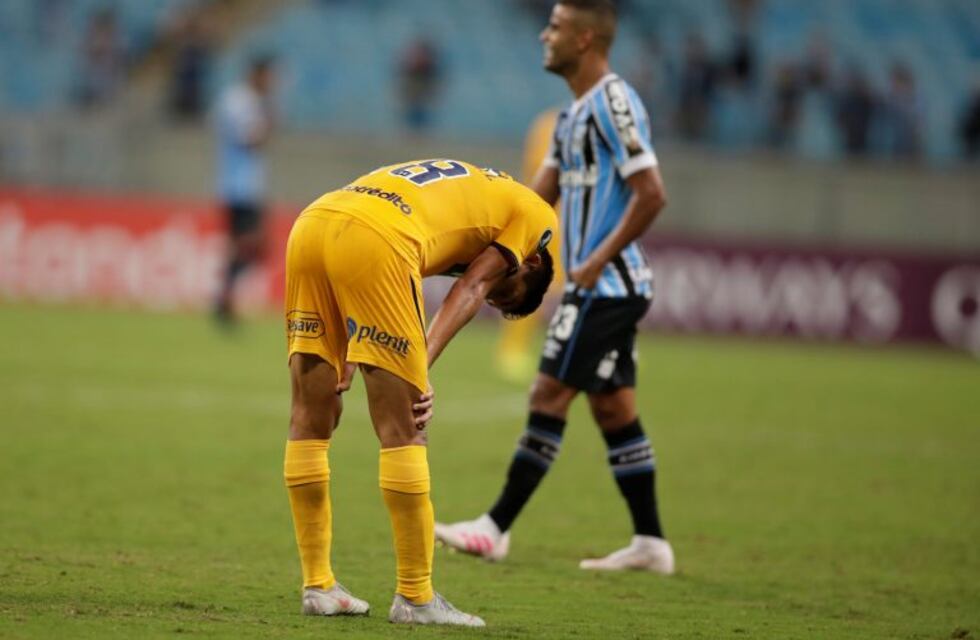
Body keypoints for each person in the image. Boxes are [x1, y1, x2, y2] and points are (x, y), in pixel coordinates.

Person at [435, 0, 674, 573]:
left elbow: (653, 193)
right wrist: (479, 244)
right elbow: (532, 204)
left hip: (608, 287)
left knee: (546, 395)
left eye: (557, 27)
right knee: (614, 409)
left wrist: (594, 261)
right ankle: (651, 543)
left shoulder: (614, 103)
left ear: (586, 39)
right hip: (602, 287)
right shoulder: (569, 120)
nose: (545, 35)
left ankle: (494, 528)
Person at [283, 159, 556, 627]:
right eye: (505, 292)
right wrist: (418, 365)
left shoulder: (479, 193)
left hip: (314, 221)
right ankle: (416, 596)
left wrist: (358, 346)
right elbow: (472, 285)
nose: (492, 294)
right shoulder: (539, 221)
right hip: (379, 236)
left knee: (311, 414)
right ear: (530, 261)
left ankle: (318, 585)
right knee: (405, 428)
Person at [495, 107, 564, 382]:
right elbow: (542, 172)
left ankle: (610, 349)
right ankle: (512, 349)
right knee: (534, 281)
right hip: (549, 213)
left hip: (575, 216)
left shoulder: (581, 122)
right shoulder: (551, 123)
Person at [213, 55, 276, 325]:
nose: (271, 83)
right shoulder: (240, 101)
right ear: (257, 74)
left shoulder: (241, 100)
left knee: (252, 246)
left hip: (247, 185)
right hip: (239, 186)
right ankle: (224, 295)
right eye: (269, 77)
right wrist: (269, 121)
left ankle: (225, 296)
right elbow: (250, 139)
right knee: (252, 243)